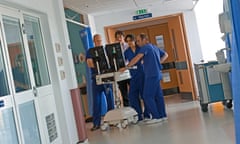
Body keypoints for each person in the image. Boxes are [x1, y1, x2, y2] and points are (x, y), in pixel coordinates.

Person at [119, 33, 168, 124]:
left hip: (151, 75)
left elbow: (137, 58)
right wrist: (158, 63)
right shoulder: (153, 47)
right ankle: (162, 115)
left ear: (144, 40)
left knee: (147, 96)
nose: (137, 43)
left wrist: (126, 67)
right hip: (157, 74)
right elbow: (165, 54)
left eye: (138, 41)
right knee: (158, 96)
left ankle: (156, 116)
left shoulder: (145, 47)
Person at [86, 34, 114, 131]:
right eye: (97, 41)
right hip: (96, 79)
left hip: (107, 78)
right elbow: (89, 63)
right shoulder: (90, 51)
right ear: (94, 41)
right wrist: (98, 68)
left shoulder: (105, 51)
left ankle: (112, 120)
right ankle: (96, 123)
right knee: (96, 102)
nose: (99, 42)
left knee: (110, 99)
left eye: (100, 40)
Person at [124, 34, 146, 121]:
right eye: (127, 41)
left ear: (134, 41)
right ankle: (138, 115)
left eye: (131, 40)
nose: (129, 43)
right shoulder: (126, 52)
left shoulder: (140, 49)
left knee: (144, 95)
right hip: (133, 75)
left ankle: (147, 114)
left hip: (142, 74)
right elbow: (122, 62)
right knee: (132, 96)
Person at [115, 30, 130, 107]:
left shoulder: (128, 46)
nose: (119, 39)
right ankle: (127, 107)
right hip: (120, 71)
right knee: (123, 91)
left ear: (123, 37)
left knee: (133, 89)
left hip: (129, 70)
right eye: (117, 37)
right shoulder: (114, 48)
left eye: (120, 37)